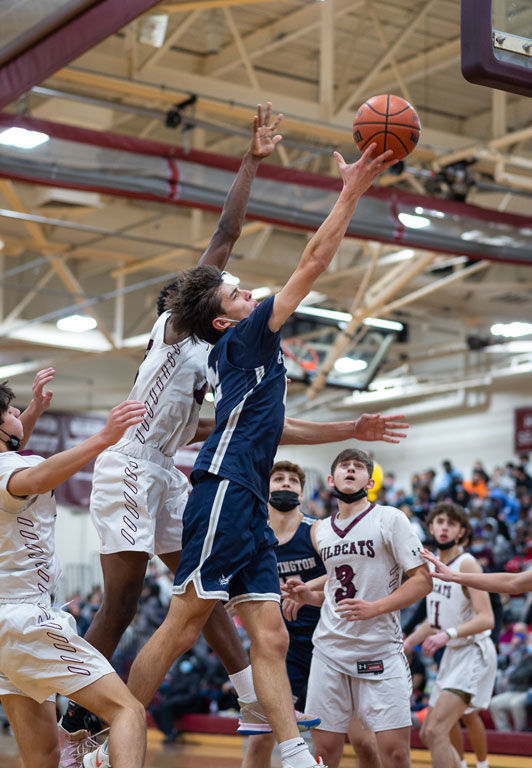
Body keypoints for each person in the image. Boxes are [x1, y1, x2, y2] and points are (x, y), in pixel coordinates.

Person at [105, 143, 400, 768]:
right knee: (182, 622)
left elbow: (280, 429)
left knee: (269, 633)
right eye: (237, 292)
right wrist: (350, 192)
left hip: (247, 492)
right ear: (220, 320)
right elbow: (313, 261)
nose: (248, 293)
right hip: (223, 488)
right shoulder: (245, 338)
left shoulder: (243, 350)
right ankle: (116, 735)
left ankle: (292, 755)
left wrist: (355, 425)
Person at [0, 378, 147, 768]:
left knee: (44, 756)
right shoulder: (13, 473)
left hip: (5, 630)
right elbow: (32, 478)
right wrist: (104, 437)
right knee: (127, 712)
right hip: (25, 619)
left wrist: (31, 412)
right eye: (10, 411)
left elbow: (11, 458)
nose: (18, 414)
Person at [283, 448, 432, 768]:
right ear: (330, 479)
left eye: (358, 467)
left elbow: (422, 581)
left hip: (379, 649)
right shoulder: (319, 530)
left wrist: (376, 607)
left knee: (395, 753)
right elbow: (338, 587)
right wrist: (308, 595)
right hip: (329, 651)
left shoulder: (390, 518)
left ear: (370, 479)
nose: (351, 470)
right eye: (344, 466)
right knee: (323, 752)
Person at [243, 460, 380, 768]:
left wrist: (306, 594)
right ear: (266, 489)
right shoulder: (253, 537)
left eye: (293, 481)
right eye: (279, 479)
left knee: (363, 742)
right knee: (260, 738)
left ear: (302, 495)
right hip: (280, 650)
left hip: (330, 642)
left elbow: (348, 576)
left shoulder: (318, 531)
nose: (286, 484)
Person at [404, 502, 497, 768]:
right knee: (427, 732)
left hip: (473, 652)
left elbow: (486, 618)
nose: (444, 527)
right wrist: (409, 641)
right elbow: (434, 621)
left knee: (438, 730)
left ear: (461, 532)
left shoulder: (467, 564)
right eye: (440, 522)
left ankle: (482, 763)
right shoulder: (431, 564)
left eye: (452, 523)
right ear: (430, 527)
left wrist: (448, 634)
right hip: (453, 653)